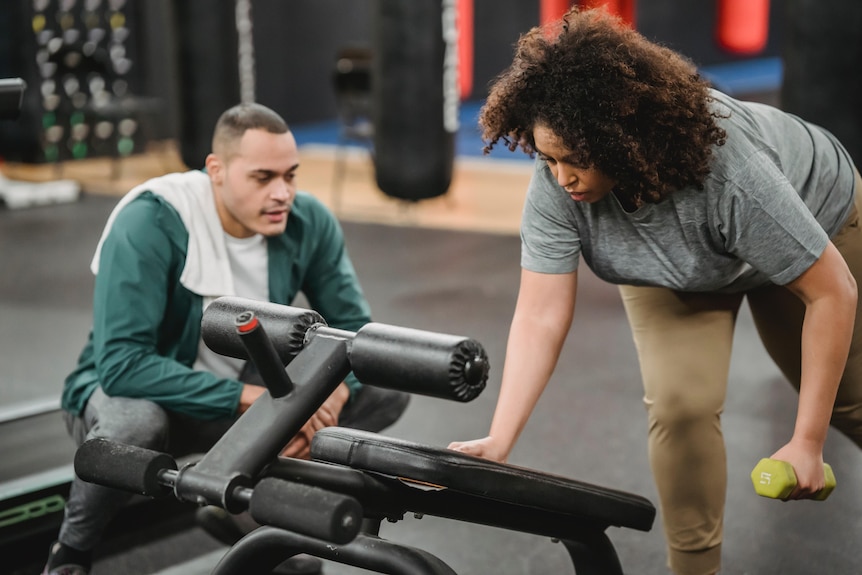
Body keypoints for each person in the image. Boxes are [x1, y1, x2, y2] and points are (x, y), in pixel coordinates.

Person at [448, 7, 862, 575]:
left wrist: (808, 441)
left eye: (577, 160)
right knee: (679, 406)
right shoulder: (557, 184)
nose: (561, 177)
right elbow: (541, 314)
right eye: (549, 158)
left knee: (851, 402)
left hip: (813, 220)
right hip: (682, 265)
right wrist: (500, 437)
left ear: (623, 143)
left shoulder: (729, 174)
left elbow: (831, 293)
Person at [43, 102, 409, 575]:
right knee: (135, 427)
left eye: (291, 175)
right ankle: (70, 553)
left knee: (384, 387)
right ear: (215, 170)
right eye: (263, 178)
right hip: (144, 396)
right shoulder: (150, 220)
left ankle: (241, 505)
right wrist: (259, 400)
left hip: (240, 405)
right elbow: (122, 364)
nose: (283, 193)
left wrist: (336, 387)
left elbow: (356, 333)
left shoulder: (308, 221)